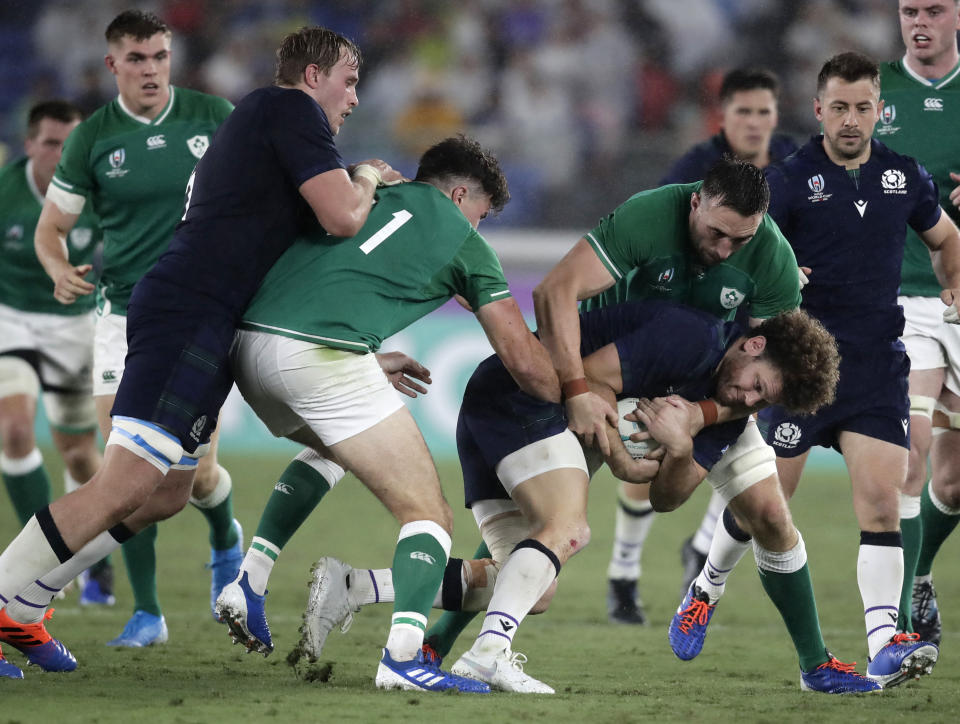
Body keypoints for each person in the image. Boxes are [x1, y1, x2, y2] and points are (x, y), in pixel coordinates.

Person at [0, 23, 400, 674]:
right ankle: (7, 601)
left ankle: (24, 606)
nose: (354, 98)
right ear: (311, 77)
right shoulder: (288, 109)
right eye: (349, 82)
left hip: (208, 320)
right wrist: (365, 177)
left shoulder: (266, 130)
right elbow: (342, 217)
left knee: (165, 493)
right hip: (187, 310)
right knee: (121, 483)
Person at [301, 301, 875, 694]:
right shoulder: (691, 339)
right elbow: (582, 387)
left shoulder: (729, 407)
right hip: (522, 400)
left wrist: (680, 447)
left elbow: (670, 501)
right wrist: (624, 458)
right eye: (756, 383)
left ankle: (356, 588)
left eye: (761, 401)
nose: (747, 398)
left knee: (534, 584)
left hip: (506, 414)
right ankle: (485, 654)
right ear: (752, 343)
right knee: (568, 529)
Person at [215, 135, 558, 693]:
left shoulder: (361, 195)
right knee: (429, 514)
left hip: (250, 348)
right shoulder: (462, 240)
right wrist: (581, 395)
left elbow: (335, 272)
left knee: (330, 445)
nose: (479, 228)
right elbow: (522, 359)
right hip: (318, 355)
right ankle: (402, 658)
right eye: (481, 214)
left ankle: (249, 580)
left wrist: (367, 356)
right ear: (461, 193)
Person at [685, 51, 960, 688]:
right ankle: (707, 584)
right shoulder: (788, 180)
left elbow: (946, 237)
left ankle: (884, 641)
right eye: (839, 107)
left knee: (883, 506)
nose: (852, 120)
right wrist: (780, 279)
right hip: (799, 368)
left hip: (874, 369)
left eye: (864, 107)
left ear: (879, 111)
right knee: (766, 506)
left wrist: (952, 284)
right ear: (818, 110)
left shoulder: (906, 177)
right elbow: (741, 256)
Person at [22, 10, 239, 648]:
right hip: (122, 317)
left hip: (201, 315)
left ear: (172, 58)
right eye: (136, 59)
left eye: (159, 56)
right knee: (123, 473)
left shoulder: (214, 118)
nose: (150, 69)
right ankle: (147, 610)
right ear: (112, 64)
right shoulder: (92, 138)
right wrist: (58, 269)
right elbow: (50, 230)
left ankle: (224, 534)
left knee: (192, 480)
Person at [603, 67, 801, 624]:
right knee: (647, 451)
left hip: (739, 345)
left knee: (747, 467)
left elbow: (792, 243)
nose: (755, 123)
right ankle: (624, 570)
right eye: (743, 112)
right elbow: (662, 245)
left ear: (776, 115)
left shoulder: (793, 166)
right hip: (677, 336)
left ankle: (703, 556)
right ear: (724, 115)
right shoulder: (696, 172)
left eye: (764, 111)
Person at [0, 100, 101, 679]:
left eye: (70, 144)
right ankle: (29, 558)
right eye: (50, 144)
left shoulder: (95, 192)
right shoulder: (7, 191)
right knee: (15, 429)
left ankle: (70, 549)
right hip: (12, 320)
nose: (60, 155)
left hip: (76, 327)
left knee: (83, 455)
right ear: (29, 144)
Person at [875, 0, 960, 646]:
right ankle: (898, 623)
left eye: (933, 9)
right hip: (908, 299)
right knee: (911, 453)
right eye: (909, 10)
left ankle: (920, 574)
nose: (920, 22)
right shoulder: (874, 92)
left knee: (953, 483)